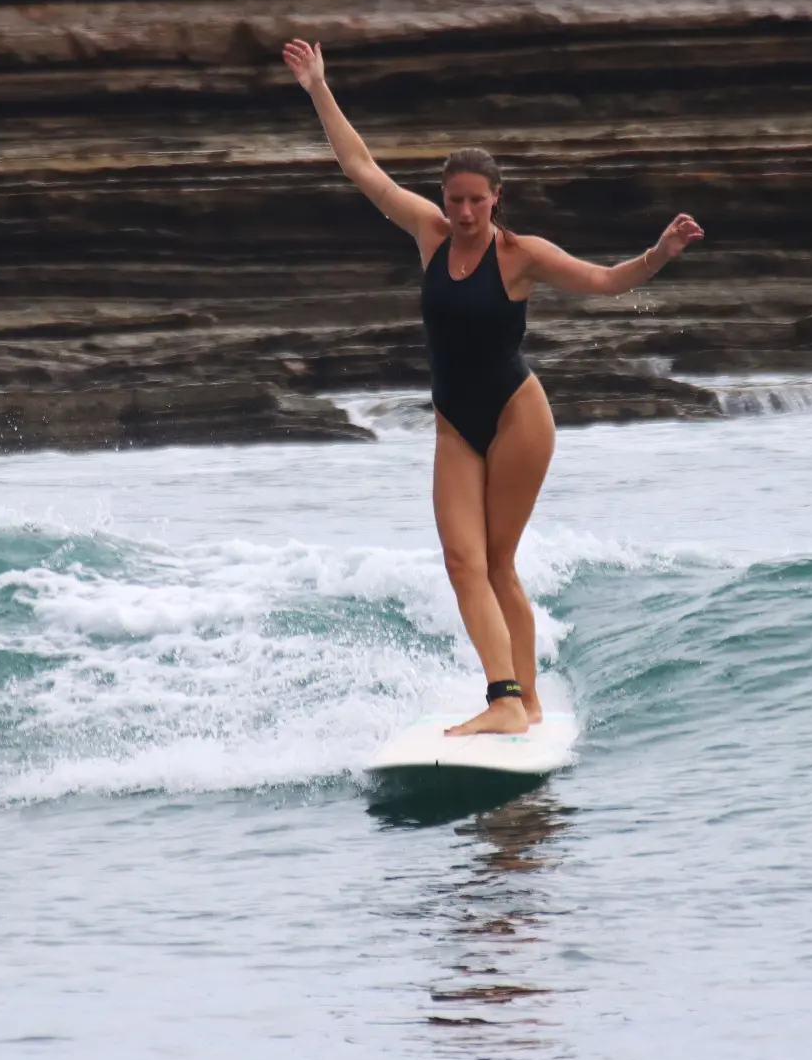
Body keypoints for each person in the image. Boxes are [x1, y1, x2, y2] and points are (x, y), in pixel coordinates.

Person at [283, 39, 704, 736]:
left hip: (517, 417)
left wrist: (659, 254)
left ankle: (515, 700)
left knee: (499, 560)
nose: (467, 212)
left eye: (478, 200)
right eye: (456, 200)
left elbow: (603, 281)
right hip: (454, 423)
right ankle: (516, 700)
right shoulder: (429, 233)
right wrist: (319, 87)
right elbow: (360, 167)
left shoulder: (520, 254)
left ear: (497, 198)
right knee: (461, 561)